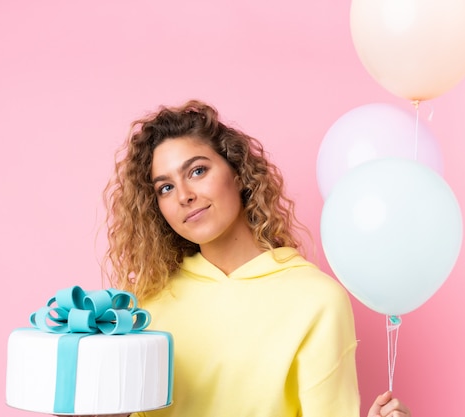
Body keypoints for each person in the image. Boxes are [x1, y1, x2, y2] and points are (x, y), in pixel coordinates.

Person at [101, 100, 411, 417]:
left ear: (236, 173)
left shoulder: (317, 300)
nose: (184, 196)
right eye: (165, 187)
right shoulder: (147, 304)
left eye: (197, 171)